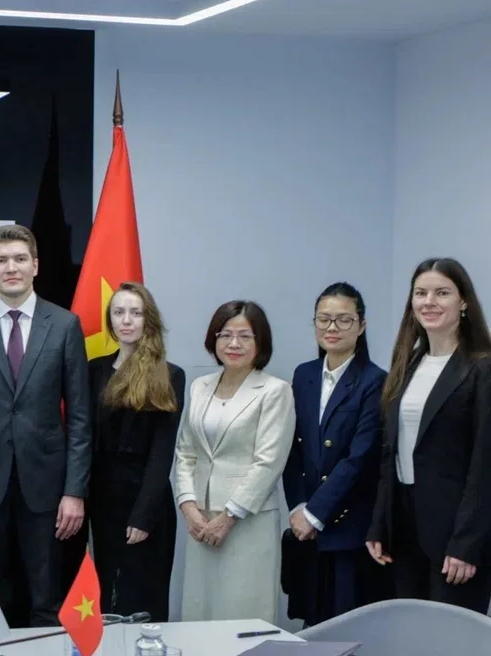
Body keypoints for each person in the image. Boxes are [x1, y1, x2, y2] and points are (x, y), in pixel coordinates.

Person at [0, 224, 91, 627]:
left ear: (35, 265)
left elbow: (80, 418)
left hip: (46, 488)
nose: (11, 268)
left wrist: (74, 492)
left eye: (20, 259)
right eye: (2, 260)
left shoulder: (64, 325)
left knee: (46, 599)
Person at [367, 258, 491, 612]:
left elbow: (485, 466)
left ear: (463, 301)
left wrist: (466, 544)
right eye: (420, 293)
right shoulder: (408, 365)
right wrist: (380, 524)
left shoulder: (481, 367)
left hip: (455, 537)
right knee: (411, 633)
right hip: (405, 530)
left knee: (450, 639)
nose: (429, 302)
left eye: (442, 293)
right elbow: (391, 453)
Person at [175, 300, 295, 623]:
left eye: (245, 336)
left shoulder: (274, 391)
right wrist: (188, 507)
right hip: (201, 522)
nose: (234, 343)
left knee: (243, 614)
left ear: (261, 342)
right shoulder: (200, 387)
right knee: (200, 612)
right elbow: (186, 452)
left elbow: (268, 463)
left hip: (246, 522)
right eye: (225, 335)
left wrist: (228, 518)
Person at [282, 282, 387, 626]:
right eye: (324, 318)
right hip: (306, 529)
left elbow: (360, 458)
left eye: (344, 319)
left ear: (361, 325)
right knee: (311, 628)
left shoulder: (375, 381)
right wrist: (298, 508)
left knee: (347, 631)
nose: (332, 327)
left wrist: (315, 513)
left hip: (348, 529)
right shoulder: (304, 375)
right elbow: (292, 448)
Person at [87, 282, 184, 622]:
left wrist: (143, 516)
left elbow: (162, 452)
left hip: (146, 504)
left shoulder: (169, 374)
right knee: (106, 598)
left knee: (143, 600)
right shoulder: (94, 369)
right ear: (110, 320)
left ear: (148, 320)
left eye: (135, 313)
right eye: (119, 312)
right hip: (102, 503)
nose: (126, 320)